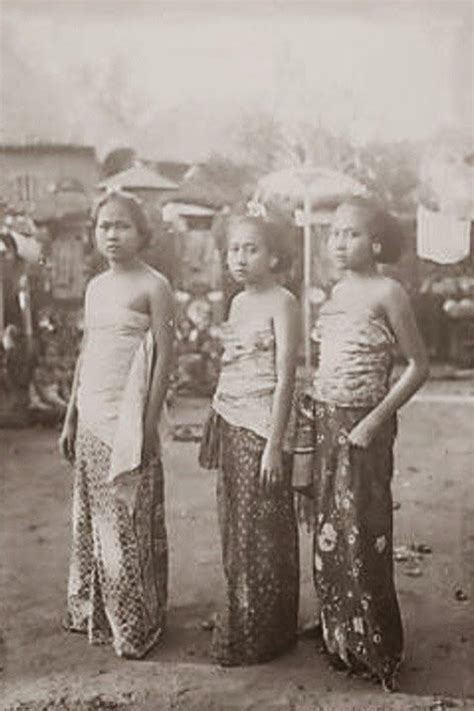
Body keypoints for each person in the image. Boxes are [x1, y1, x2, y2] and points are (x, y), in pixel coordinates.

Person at [294, 197, 429, 691]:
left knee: (364, 530)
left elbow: (419, 366)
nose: (338, 242)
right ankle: (338, 632)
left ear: (375, 242)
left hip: (364, 424)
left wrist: (374, 421)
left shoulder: (388, 292)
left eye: (350, 234)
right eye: (333, 234)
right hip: (327, 419)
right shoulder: (331, 294)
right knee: (328, 527)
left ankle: (375, 644)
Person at [59, 189, 174, 659]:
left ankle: (136, 620)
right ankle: (93, 608)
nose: (112, 234)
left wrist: (148, 426)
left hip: (128, 416)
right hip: (91, 412)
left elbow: (167, 356)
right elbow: (86, 353)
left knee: (127, 518)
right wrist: (69, 416)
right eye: (104, 225)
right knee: (92, 517)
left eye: (122, 225)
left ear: (142, 233)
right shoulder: (95, 287)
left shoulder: (154, 286)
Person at [199, 213, 300, 666]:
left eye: (250, 249)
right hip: (230, 418)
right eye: (233, 249)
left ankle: (266, 627)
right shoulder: (237, 303)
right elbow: (231, 367)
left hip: (262, 427)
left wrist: (275, 444)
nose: (238, 258)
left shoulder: (284, 302)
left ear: (274, 255)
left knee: (264, 528)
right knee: (235, 525)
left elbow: (285, 378)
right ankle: (243, 611)